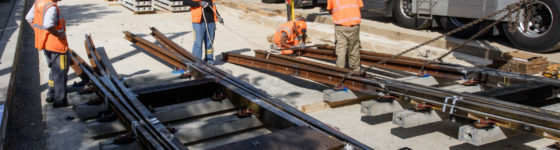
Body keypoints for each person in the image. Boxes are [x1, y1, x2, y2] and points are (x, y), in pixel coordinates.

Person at [26, 0, 69, 107]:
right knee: (60, 72)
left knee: (54, 69)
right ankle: (59, 101)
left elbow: (29, 18)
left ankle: (51, 94)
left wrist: (39, 33)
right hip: (57, 46)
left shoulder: (39, 2)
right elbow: (48, 24)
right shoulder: (51, 7)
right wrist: (59, 34)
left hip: (45, 44)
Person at [183, 0, 223, 64]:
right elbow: (185, 2)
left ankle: (209, 61)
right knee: (198, 43)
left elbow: (212, 6)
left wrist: (218, 15)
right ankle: (196, 62)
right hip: (198, 22)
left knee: (210, 42)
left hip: (211, 21)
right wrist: (199, 3)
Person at [327, 0, 363, 72]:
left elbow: (330, 9)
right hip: (354, 25)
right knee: (353, 48)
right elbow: (359, 6)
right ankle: (355, 69)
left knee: (341, 48)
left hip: (340, 26)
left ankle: (340, 69)